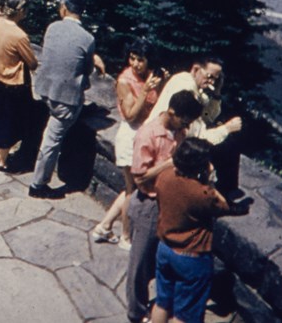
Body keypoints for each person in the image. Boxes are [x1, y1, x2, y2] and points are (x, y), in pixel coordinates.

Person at [125, 90, 204, 323]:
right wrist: (169, 163)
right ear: (172, 113)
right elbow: (139, 178)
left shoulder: (179, 131)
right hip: (149, 203)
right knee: (139, 263)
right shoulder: (148, 135)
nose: (186, 126)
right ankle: (136, 311)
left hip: (169, 202)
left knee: (159, 261)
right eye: (184, 120)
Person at [29, 0, 106, 198]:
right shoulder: (88, 38)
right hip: (65, 100)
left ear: (64, 9)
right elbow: (86, 69)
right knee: (52, 140)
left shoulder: (52, 28)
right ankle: (38, 185)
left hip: (44, 90)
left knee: (52, 130)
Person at [149, 139, 234, 323]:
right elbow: (224, 206)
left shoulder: (164, 176)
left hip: (165, 249)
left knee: (162, 302)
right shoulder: (202, 193)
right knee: (185, 313)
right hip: (191, 257)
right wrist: (210, 182)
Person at [93, 43, 164, 248]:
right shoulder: (125, 80)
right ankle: (125, 236)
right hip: (131, 136)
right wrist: (145, 91)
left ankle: (105, 226)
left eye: (140, 59)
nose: (135, 64)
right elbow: (131, 115)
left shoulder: (151, 76)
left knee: (130, 188)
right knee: (132, 190)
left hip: (144, 135)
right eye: (132, 58)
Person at [145, 57, 244, 200]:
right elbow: (196, 134)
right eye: (209, 77)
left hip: (167, 136)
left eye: (215, 80)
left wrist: (216, 93)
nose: (211, 82)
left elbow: (207, 117)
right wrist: (227, 129)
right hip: (167, 143)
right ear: (196, 69)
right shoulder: (188, 90)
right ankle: (222, 196)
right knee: (228, 145)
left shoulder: (184, 79)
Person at [0, 0, 38, 172]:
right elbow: (32, 62)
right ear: (20, 10)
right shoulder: (19, 36)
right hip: (12, 82)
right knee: (8, 121)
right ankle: (1, 161)